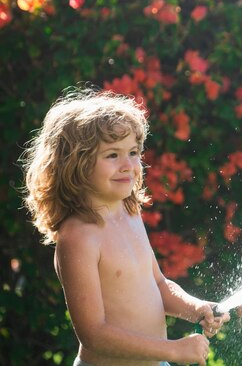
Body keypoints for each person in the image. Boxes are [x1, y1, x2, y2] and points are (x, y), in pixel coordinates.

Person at [22, 89, 229, 366]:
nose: (128, 165)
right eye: (112, 155)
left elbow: (158, 284)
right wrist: (173, 350)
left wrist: (196, 308)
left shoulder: (129, 213)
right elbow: (93, 334)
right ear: (76, 164)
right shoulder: (78, 237)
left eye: (133, 152)